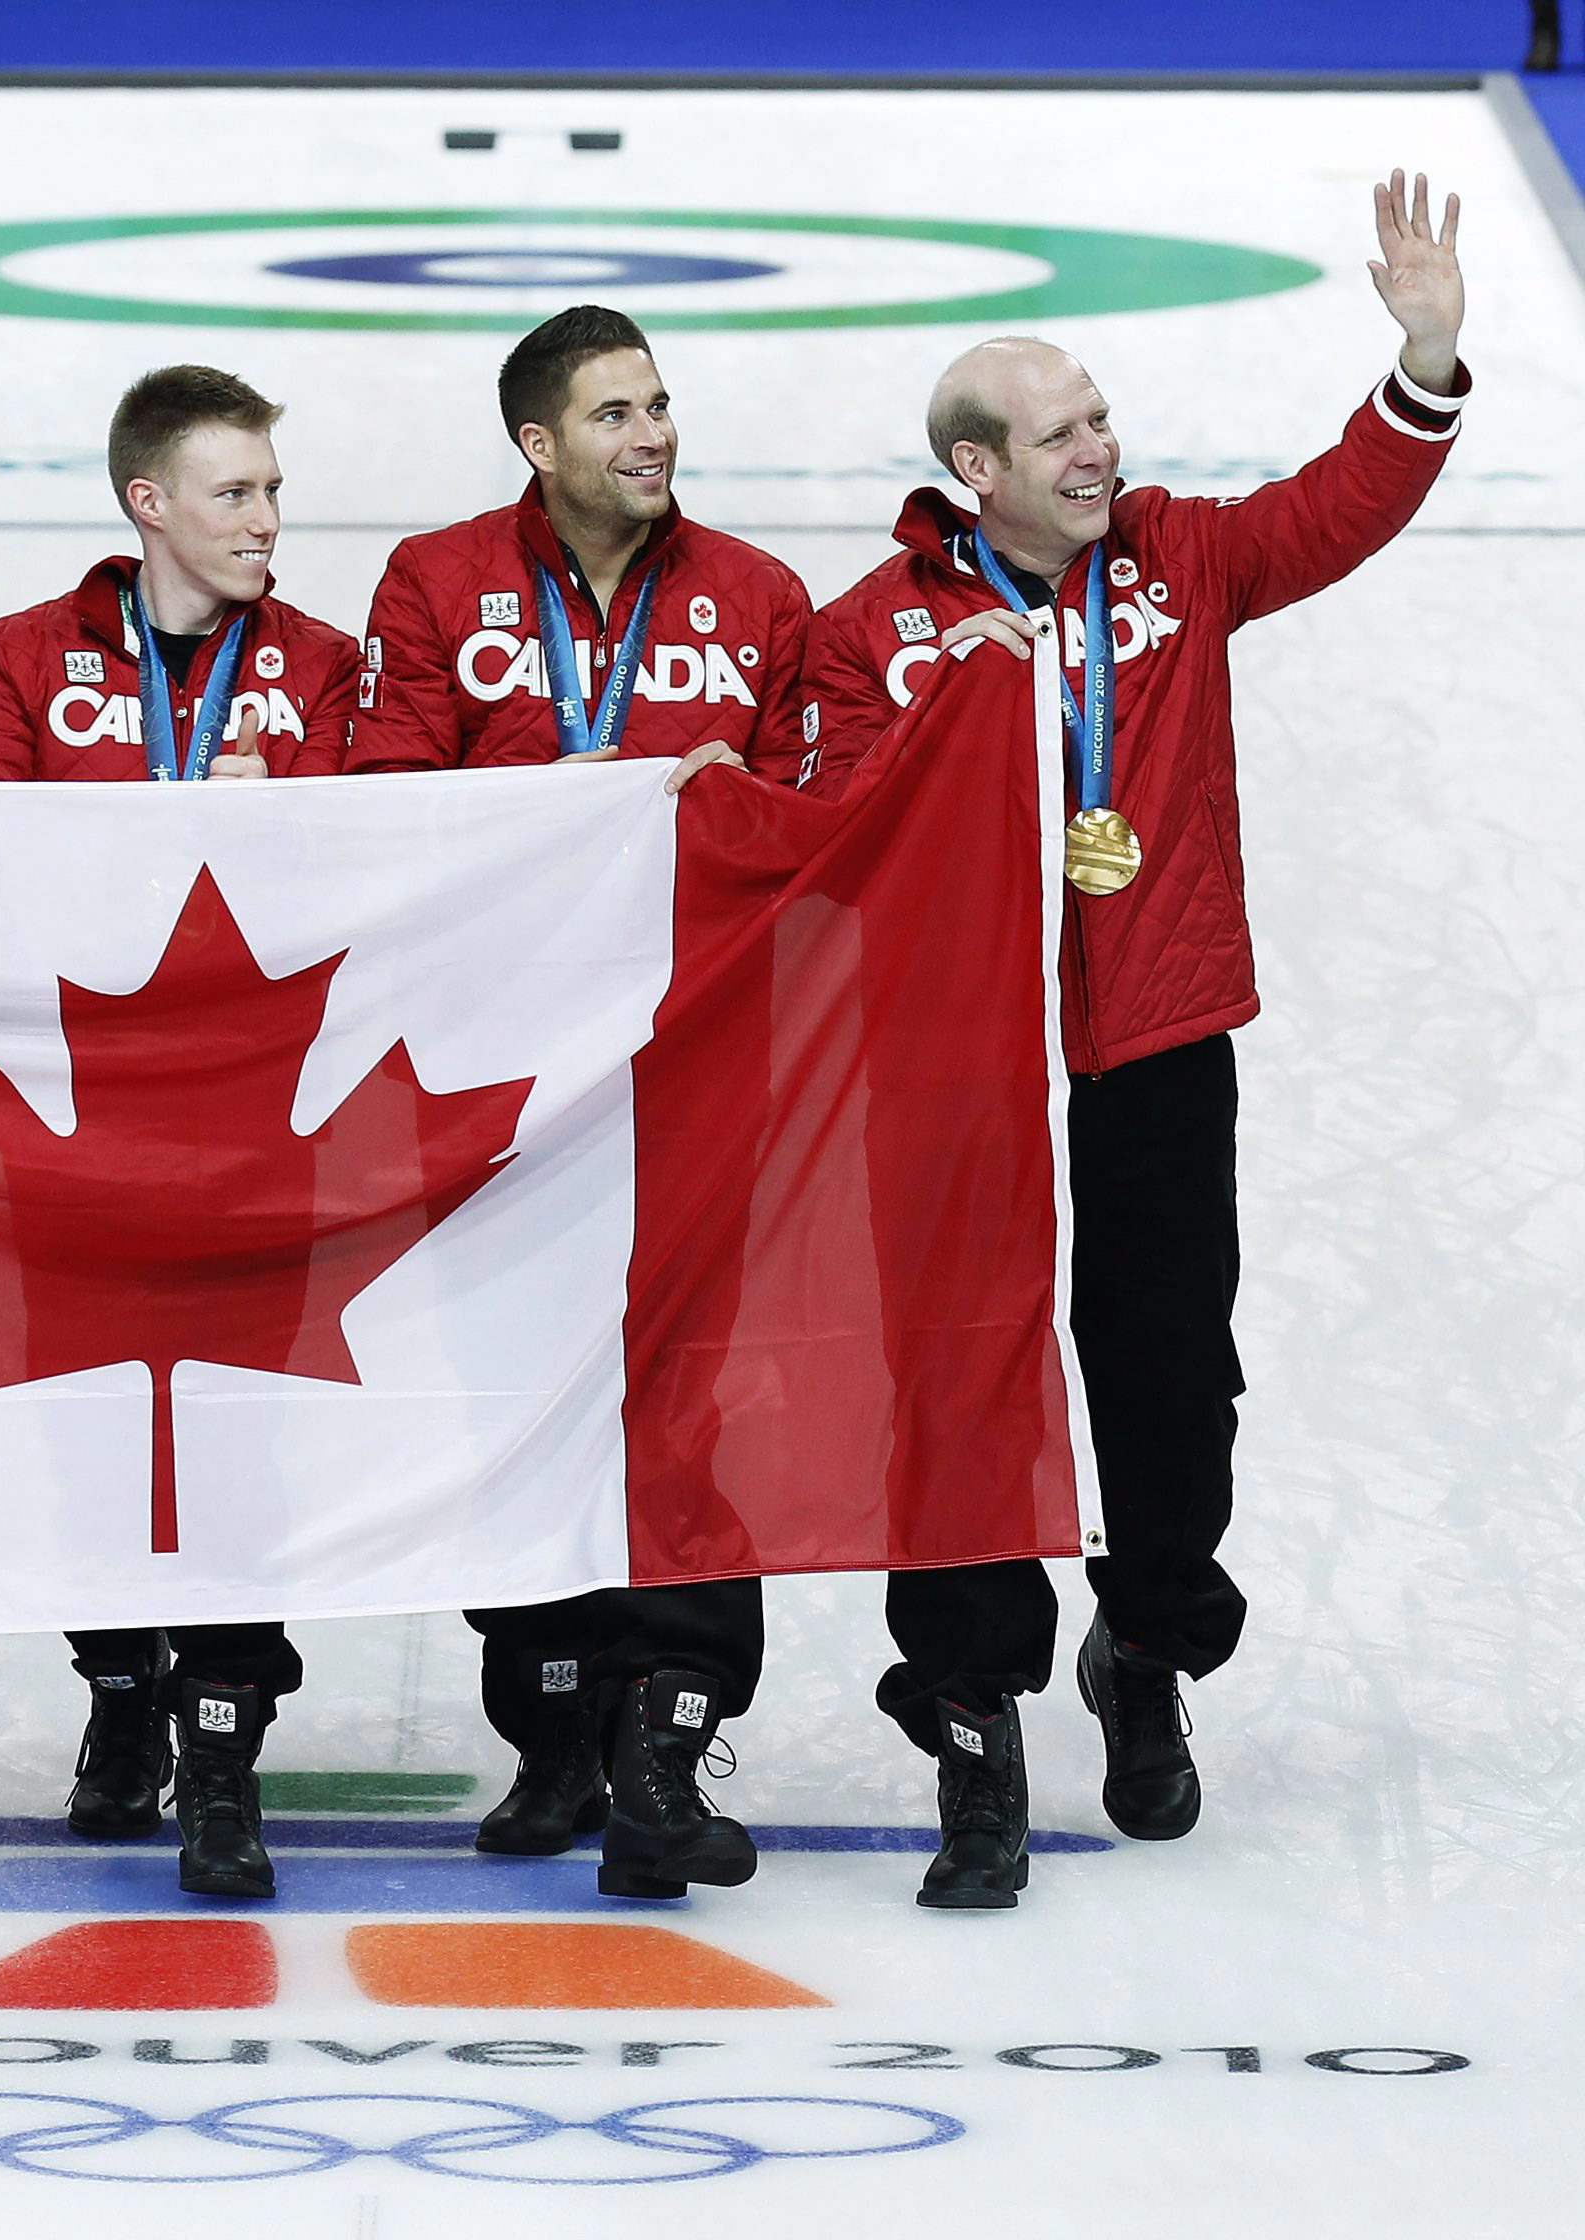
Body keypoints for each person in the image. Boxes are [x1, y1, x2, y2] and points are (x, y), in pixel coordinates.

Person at [801, 171, 1469, 1907]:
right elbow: (795, 835)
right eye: (1063, 431)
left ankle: (1147, 1650)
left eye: (1102, 417)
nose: (1101, 449)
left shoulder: (1179, 557)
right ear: (980, 471)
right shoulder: (879, 638)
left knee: (1171, 1372)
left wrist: (1425, 359)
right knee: (958, 1380)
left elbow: (1336, 512)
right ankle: (970, 1711)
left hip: (1156, 1039)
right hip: (958, 1073)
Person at [343, 304, 811, 1900]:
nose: (655, 434)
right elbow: (395, 796)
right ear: (539, 447)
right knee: (513, 1393)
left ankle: (667, 1739)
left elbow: (819, 829)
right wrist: (590, 804)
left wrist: (738, 803)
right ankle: (550, 1725)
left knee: (696, 1401)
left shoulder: (758, 598)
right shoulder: (434, 581)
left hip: (696, 1065)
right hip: (505, 1073)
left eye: (663, 403)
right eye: (616, 413)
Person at [0, 363, 358, 1900]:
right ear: (148, 503)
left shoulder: (326, 670)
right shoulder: (20, 658)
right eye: (236, 494)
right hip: (81, 1129)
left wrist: (292, 813)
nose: (267, 523)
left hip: (254, 1132)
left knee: (243, 1441)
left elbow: (400, 878)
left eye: (275, 492)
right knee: (88, 1429)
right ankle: (120, 1690)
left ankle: (225, 1751)